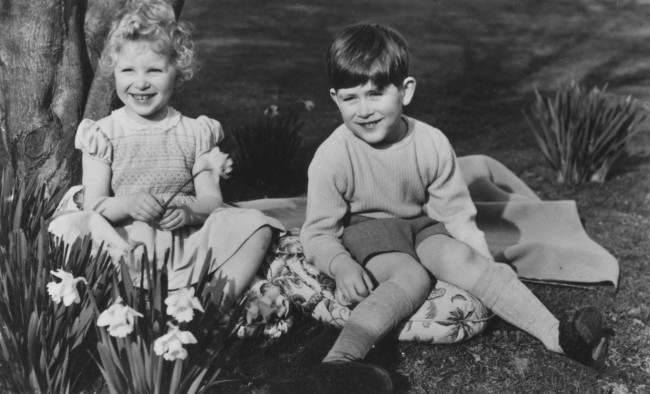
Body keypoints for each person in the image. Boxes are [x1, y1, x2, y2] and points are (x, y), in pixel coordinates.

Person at [295, 23, 614, 393]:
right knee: (410, 278)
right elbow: (318, 231)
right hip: (369, 228)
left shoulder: (431, 143)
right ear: (335, 99)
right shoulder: (333, 156)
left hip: (422, 223)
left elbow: (456, 213)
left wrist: (479, 259)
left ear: (405, 91)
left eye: (376, 94)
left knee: (463, 259)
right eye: (350, 99)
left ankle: (558, 335)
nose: (364, 110)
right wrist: (341, 264)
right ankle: (339, 363)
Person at [71, 0, 284, 314]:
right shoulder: (103, 133)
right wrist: (128, 204)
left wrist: (190, 212)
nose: (140, 82)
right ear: (113, 71)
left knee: (256, 225)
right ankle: (128, 306)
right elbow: (94, 203)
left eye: (154, 70)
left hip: (183, 241)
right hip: (128, 241)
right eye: (128, 70)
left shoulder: (196, 132)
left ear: (178, 71)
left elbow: (212, 200)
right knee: (73, 229)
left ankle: (209, 309)